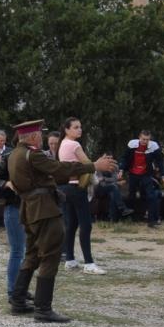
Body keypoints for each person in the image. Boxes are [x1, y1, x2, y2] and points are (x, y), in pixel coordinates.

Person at [8, 120, 116, 322]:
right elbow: (57, 168)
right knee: (50, 255)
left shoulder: (16, 154)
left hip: (30, 209)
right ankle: (43, 309)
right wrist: (92, 166)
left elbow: (46, 175)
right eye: (40, 134)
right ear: (33, 137)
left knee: (32, 253)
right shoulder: (33, 154)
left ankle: (18, 299)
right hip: (43, 209)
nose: (42, 137)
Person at [57, 117, 106, 275]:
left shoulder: (62, 144)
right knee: (86, 224)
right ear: (67, 129)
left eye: (80, 127)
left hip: (65, 187)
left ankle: (70, 259)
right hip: (77, 187)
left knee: (71, 224)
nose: (79, 130)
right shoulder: (74, 144)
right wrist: (98, 163)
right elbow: (88, 164)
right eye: (76, 127)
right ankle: (89, 263)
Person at [0, 141, 29, 310]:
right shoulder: (8, 157)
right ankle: (13, 291)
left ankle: (20, 289)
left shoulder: (33, 156)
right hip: (13, 207)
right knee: (17, 251)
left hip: (27, 207)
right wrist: (7, 183)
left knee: (24, 251)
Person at [120, 130, 164, 228]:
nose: (145, 141)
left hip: (146, 174)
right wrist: (121, 170)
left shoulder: (154, 146)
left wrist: (163, 176)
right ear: (139, 137)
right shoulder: (132, 144)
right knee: (131, 195)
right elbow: (125, 158)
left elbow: (160, 161)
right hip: (133, 173)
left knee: (151, 195)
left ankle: (152, 220)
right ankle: (131, 218)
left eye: (147, 140)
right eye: (143, 139)